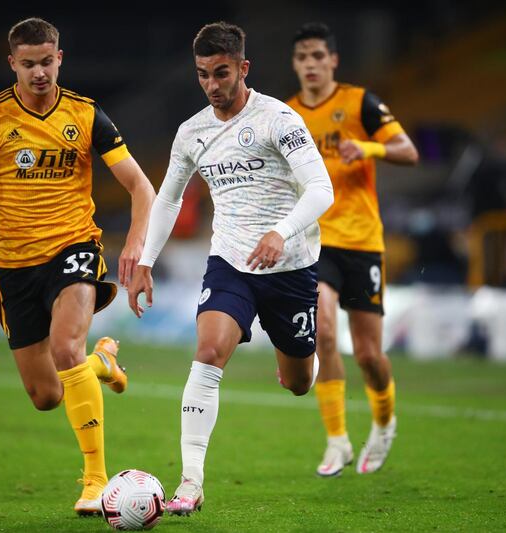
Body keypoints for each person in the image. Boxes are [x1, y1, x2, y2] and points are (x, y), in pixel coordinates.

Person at [0, 18, 155, 515]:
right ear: (12, 62)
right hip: (11, 267)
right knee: (45, 395)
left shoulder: (86, 115)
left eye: (47, 61)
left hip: (72, 247)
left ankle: (96, 482)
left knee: (64, 346)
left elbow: (141, 187)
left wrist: (136, 243)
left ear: (60, 58)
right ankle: (103, 364)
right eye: (28, 63)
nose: (39, 72)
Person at [128, 22, 334, 514]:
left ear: (243, 68)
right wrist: (145, 261)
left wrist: (279, 232)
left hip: (290, 268)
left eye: (221, 73)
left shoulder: (278, 119)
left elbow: (322, 189)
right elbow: (168, 199)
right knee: (208, 351)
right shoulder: (192, 132)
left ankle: (308, 353)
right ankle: (190, 485)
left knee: (299, 382)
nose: (212, 85)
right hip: (230, 264)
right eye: (202, 75)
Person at [286, 22, 418, 476]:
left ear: (333, 61)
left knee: (368, 355)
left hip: (362, 241)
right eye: (303, 57)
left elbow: (408, 150)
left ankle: (384, 421)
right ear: (294, 64)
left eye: (318, 56)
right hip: (315, 241)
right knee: (322, 330)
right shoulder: (286, 115)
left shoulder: (360, 102)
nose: (311, 65)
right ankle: (337, 439)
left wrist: (366, 148)